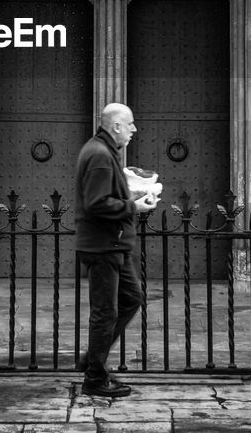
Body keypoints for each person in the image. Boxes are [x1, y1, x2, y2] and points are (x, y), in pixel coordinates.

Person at [74, 102, 157, 398]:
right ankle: (95, 378)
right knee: (104, 313)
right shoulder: (98, 155)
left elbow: (104, 195)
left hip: (113, 243)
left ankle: (91, 359)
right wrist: (132, 206)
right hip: (103, 246)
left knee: (131, 298)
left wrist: (132, 194)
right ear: (116, 126)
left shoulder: (104, 152)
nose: (134, 129)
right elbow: (96, 203)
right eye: (130, 124)